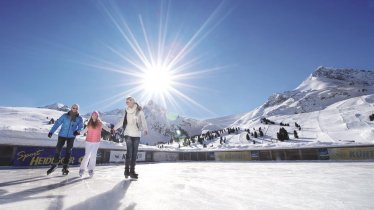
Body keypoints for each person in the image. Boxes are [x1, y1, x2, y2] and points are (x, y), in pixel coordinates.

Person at [113, 96, 148, 179]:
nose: (127, 103)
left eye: (128, 101)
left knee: (134, 154)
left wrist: (145, 129)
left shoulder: (139, 110)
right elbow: (122, 121)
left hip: (137, 134)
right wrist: (115, 128)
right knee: (129, 152)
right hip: (128, 133)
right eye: (126, 102)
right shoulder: (126, 111)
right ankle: (126, 171)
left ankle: (132, 171)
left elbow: (143, 120)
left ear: (132, 101)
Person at [47, 104, 84, 175]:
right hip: (62, 135)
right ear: (71, 108)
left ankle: (65, 167)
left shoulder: (79, 118)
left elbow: (81, 126)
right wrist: (51, 131)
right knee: (58, 149)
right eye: (73, 108)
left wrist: (78, 131)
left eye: (76, 108)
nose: (74, 109)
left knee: (68, 151)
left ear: (77, 109)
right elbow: (57, 123)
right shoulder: (65, 116)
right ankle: (54, 165)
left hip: (71, 136)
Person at [79, 111, 111, 177]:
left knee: (93, 156)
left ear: (97, 116)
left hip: (96, 142)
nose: (94, 116)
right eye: (93, 115)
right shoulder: (89, 123)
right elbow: (84, 130)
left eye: (95, 115)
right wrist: (78, 133)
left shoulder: (100, 123)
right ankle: (82, 169)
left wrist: (112, 130)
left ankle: (91, 169)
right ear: (91, 116)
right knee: (87, 155)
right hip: (88, 141)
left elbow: (106, 128)